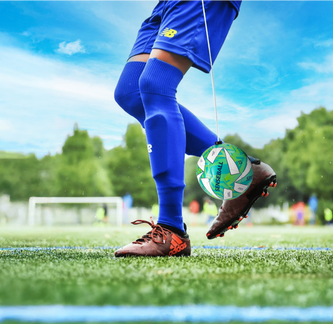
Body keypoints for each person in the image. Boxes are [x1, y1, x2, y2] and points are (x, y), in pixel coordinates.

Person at [114, 0, 276, 257]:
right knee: (131, 92)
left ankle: (171, 229)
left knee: (156, 85)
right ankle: (244, 171)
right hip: (164, 5)